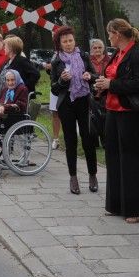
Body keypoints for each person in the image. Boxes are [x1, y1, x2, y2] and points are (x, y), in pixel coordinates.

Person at [93, 18, 139, 224]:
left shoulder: (137, 55)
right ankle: (116, 203)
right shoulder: (117, 54)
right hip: (112, 110)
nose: (108, 37)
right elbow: (113, 80)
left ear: (117, 33)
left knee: (130, 157)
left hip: (129, 112)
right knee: (113, 156)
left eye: (110, 33)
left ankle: (136, 208)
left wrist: (112, 84)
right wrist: (102, 86)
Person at [50, 26, 98, 195]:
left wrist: (89, 77)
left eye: (70, 40)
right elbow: (54, 89)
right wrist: (62, 81)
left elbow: (95, 75)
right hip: (66, 104)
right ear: (59, 43)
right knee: (70, 141)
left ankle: (93, 175)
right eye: (65, 41)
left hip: (84, 101)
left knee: (88, 139)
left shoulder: (83, 56)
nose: (69, 44)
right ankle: (73, 177)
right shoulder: (57, 61)